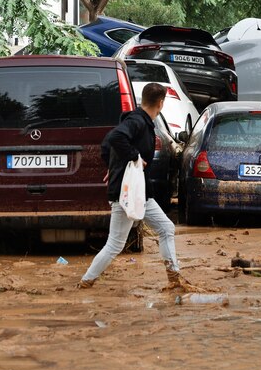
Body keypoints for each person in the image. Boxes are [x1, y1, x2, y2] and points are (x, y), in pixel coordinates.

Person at [79, 82, 197, 291]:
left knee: (166, 228)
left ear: (143, 99)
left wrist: (114, 167)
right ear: (160, 103)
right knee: (115, 244)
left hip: (139, 193)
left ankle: (174, 278)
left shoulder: (138, 120)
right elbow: (115, 138)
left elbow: (106, 144)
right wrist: (133, 157)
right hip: (126, 193)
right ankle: (86, 282)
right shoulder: (138, 122)